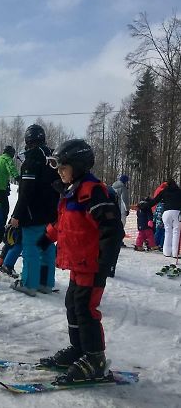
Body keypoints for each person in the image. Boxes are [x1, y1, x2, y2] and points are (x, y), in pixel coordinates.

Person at [37, 139, 124, 383]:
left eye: (63, 166)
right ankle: (79, 350)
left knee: (86, 309)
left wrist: (105, 263)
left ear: (78, 165)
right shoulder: (70, 192)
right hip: (78, 264)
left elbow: (112, 229)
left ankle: (95, 358)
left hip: (93, 265)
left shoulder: (93, 191)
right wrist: (45, 239)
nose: (59, 171)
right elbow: (63, 224)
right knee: (73, 305)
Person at [9, 124, 60, 296]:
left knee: (31, 247)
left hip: (33, 213)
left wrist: (16, 215)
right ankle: (45, 283)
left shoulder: (31, 159)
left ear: (28, 140)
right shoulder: (53, 161)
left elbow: (26, 191)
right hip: (51, 214)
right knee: (47, 246)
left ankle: (29, 283)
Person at [147, 179, 181, 258]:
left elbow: (155, 201)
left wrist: (146, 205)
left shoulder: (164, 191)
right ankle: (175, 253)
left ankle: (166, 252)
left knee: (167, 232)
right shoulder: (179, 191)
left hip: (166, 213)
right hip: (177, 213)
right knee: (176, 232)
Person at [0, 146, 20, 227]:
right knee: (4, 209)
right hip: (0, 188)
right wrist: (19, 179)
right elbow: (11, 169)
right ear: (11, 153)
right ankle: (0, 228)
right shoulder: (7, 159)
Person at [112, 175, 130, 246]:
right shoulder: (123, 187)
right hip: (121, 209)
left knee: (114, 224)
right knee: (121, 225)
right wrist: (127, 209)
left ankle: (113, 240)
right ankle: (119, 240)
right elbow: (124, 199)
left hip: (113, 208)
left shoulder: (113, 186)